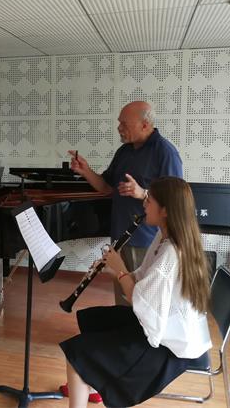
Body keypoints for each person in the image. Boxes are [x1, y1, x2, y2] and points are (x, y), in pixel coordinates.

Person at [60, 177, 212, 408]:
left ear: (165, 211)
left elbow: (138, 301)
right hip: (165, 327)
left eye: (149, 200)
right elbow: (143, 278)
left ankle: (83, 374)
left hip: (169, 347)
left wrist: (120, 268)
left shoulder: (172, 253)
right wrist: (114, 270)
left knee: (77, 353)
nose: (144, 204)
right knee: (94, 319)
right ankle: (89, 380)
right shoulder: (165, 236)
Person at [69, 100, 182, 305]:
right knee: (122, 299)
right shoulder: (124, 151)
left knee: (142, 302)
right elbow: (106, 187)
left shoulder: (165, 152)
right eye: (119, 122)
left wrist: (142, 193)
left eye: (124, 124)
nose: (119, 128)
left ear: (145, 125)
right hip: (120, 236)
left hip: (146, 240)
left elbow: (176, 201)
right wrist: (85, 171)